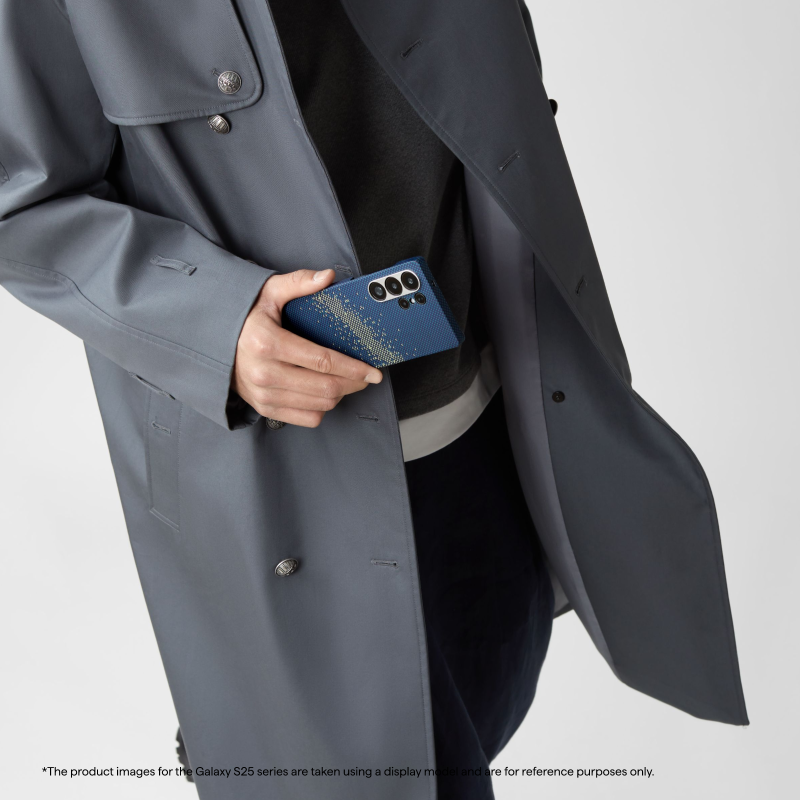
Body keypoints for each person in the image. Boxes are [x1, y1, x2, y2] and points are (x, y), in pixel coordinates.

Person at [0, 2, 747, 800]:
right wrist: (214, 322)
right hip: (285, 484)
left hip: (490, 429)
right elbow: (23, 203)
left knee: (484, 712)